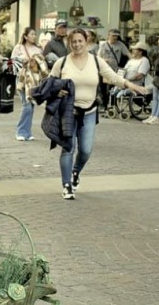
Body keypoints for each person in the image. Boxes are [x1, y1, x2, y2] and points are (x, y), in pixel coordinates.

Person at [44, 28, 146, 200]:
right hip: (68, 112)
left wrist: (131, 85)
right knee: (68, 148)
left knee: (85, 150)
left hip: (89, 112)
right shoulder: (62, 63)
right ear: (69, 43)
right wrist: (56, 91)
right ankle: (66, 184)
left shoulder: (96, 61)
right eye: (73, 42)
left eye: (80, 41)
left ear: (86, 41)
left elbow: (113, 77)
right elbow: (49, 82)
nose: (76, 44)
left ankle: (75, 172)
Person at [9, 27, 47, 141]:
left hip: (34, 80)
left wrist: (37, 61)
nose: (34, 36)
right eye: (32, 34)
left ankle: (27, 132)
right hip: (22, 79)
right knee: (27, 105)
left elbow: (42, 65)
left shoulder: (38, 49)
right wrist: (22, 61)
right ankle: (21, 131)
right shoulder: (18, 48)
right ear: (25, 36)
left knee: (31, 105)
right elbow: (12, 63)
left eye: (35, 34)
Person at [97, 28, 130, 109]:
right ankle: (104, 105)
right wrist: (103, 60)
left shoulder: (120, 45)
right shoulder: (103, 45)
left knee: (113, 89)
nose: (115, 38)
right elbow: (98, 56)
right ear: (108, 36)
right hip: (104, 70)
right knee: (103, 88)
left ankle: (112, 106)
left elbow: (128, 54)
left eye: (116, 36)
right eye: (113, 36)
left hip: (115, 70)